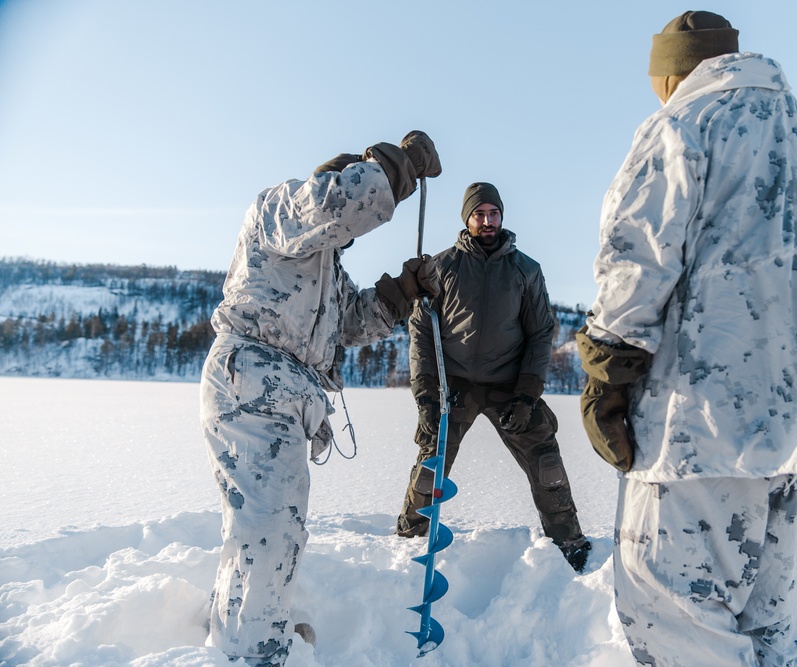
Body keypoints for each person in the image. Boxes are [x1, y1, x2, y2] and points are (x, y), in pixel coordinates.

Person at [576, 11, 797, 666]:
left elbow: (636, 261)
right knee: (767, 623)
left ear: (674, 71)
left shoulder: (683, 126)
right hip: (791, 431)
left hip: (697, 426)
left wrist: (605, 377)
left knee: (672, 611)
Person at [200, 130, 442, 667]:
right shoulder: (280, 209)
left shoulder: (326, 270)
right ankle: (254, 650)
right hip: (251, 383)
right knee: (269, 529)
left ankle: (241, 628)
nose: (346, 233)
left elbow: (351, 321)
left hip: (280, 393)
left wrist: (400, 293)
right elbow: (340, 201)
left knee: (265, 526)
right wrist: (398, 168)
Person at [395, 182, 591, 572]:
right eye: (479, 213)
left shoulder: (526, 271)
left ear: (502, 216)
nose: (487, 220)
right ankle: (410, 538)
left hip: (510, 385)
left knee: (546, 461)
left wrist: (527, 395)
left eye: (494, 213)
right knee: (431, 463)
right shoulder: (442, 267)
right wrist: (426, 396)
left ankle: (568, 542)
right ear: (467, 218)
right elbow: (420, 331)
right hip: (454, 385)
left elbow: (540, 333)